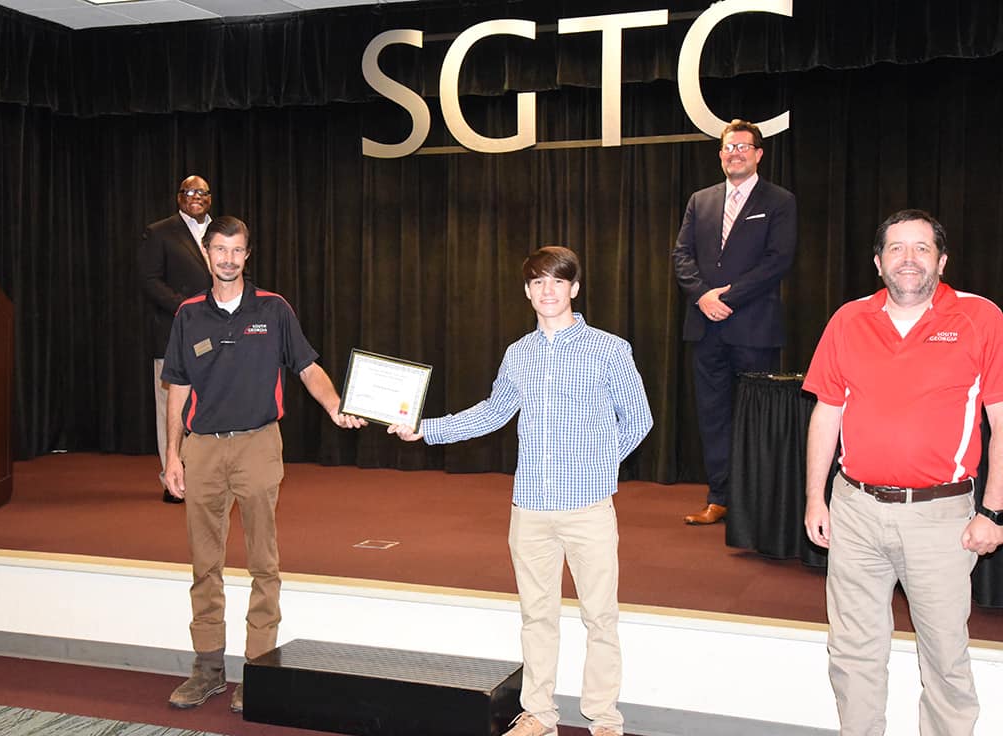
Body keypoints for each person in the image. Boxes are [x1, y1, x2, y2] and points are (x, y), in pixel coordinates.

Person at [389, 246, 652, 736]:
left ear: (574, 288)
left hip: (588, 506)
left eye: (556, 281)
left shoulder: (610, 349)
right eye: (536, 283)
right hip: (529, 507)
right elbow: (491, 413)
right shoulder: (519, 354)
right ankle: (540, 715)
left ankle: (604, 718)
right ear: (527, 291)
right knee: (537, 616)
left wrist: (597, 467)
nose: (546, 291)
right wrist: (427, 428)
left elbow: (638, 419)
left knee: (601, 617)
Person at [803, 209, 1003, 735]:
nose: (908, 259)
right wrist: (815, 499)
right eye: (896, 248)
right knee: (852, 649)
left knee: (944, 654)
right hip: (856, 510)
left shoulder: (980, 318)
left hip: (941, 518)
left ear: (941, 259)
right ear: (878, 261)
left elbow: (1001, 422)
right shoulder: (848, 319)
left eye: (920, 248)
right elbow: (827, 412)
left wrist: (994, 512)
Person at [161, 215, 366, 713]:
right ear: (206, 254)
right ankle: (208, 668)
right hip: (203, 450)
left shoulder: (273, 310)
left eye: (237, 250)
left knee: (263, 564)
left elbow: (308, 367)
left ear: (247, 255)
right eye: (219, 250)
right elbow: (177, 390)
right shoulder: (188, 315)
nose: (228, 259)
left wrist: (335, 404)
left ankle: (259, 669)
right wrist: (172, 454)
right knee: (204, 565)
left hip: (258, 445)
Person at [672, 119, 797, 525]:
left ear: (758, 154)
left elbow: (778, 261)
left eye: (743, 147)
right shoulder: (701, 200)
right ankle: (720, 498)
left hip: (754, 328)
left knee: (758, 418)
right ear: (720, 154)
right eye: (729, 148)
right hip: (706, 326)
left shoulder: (779, 200)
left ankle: (757, 504)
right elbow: (681, 256)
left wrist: (728, 297)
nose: (735, 153)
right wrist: (703, 296)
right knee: (713, 415)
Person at [138, 175, 214, 504]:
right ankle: (173, 478)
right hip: (175, 333)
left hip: (217, 335)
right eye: (188, 192)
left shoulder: (221, 230)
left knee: (209, 404)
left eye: (201, 193)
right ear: (178, 197)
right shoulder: (160, 232)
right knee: (170, 408)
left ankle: (206, 475)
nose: (195, 197)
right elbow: (149, 280)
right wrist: (186, 309)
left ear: (209, 198)